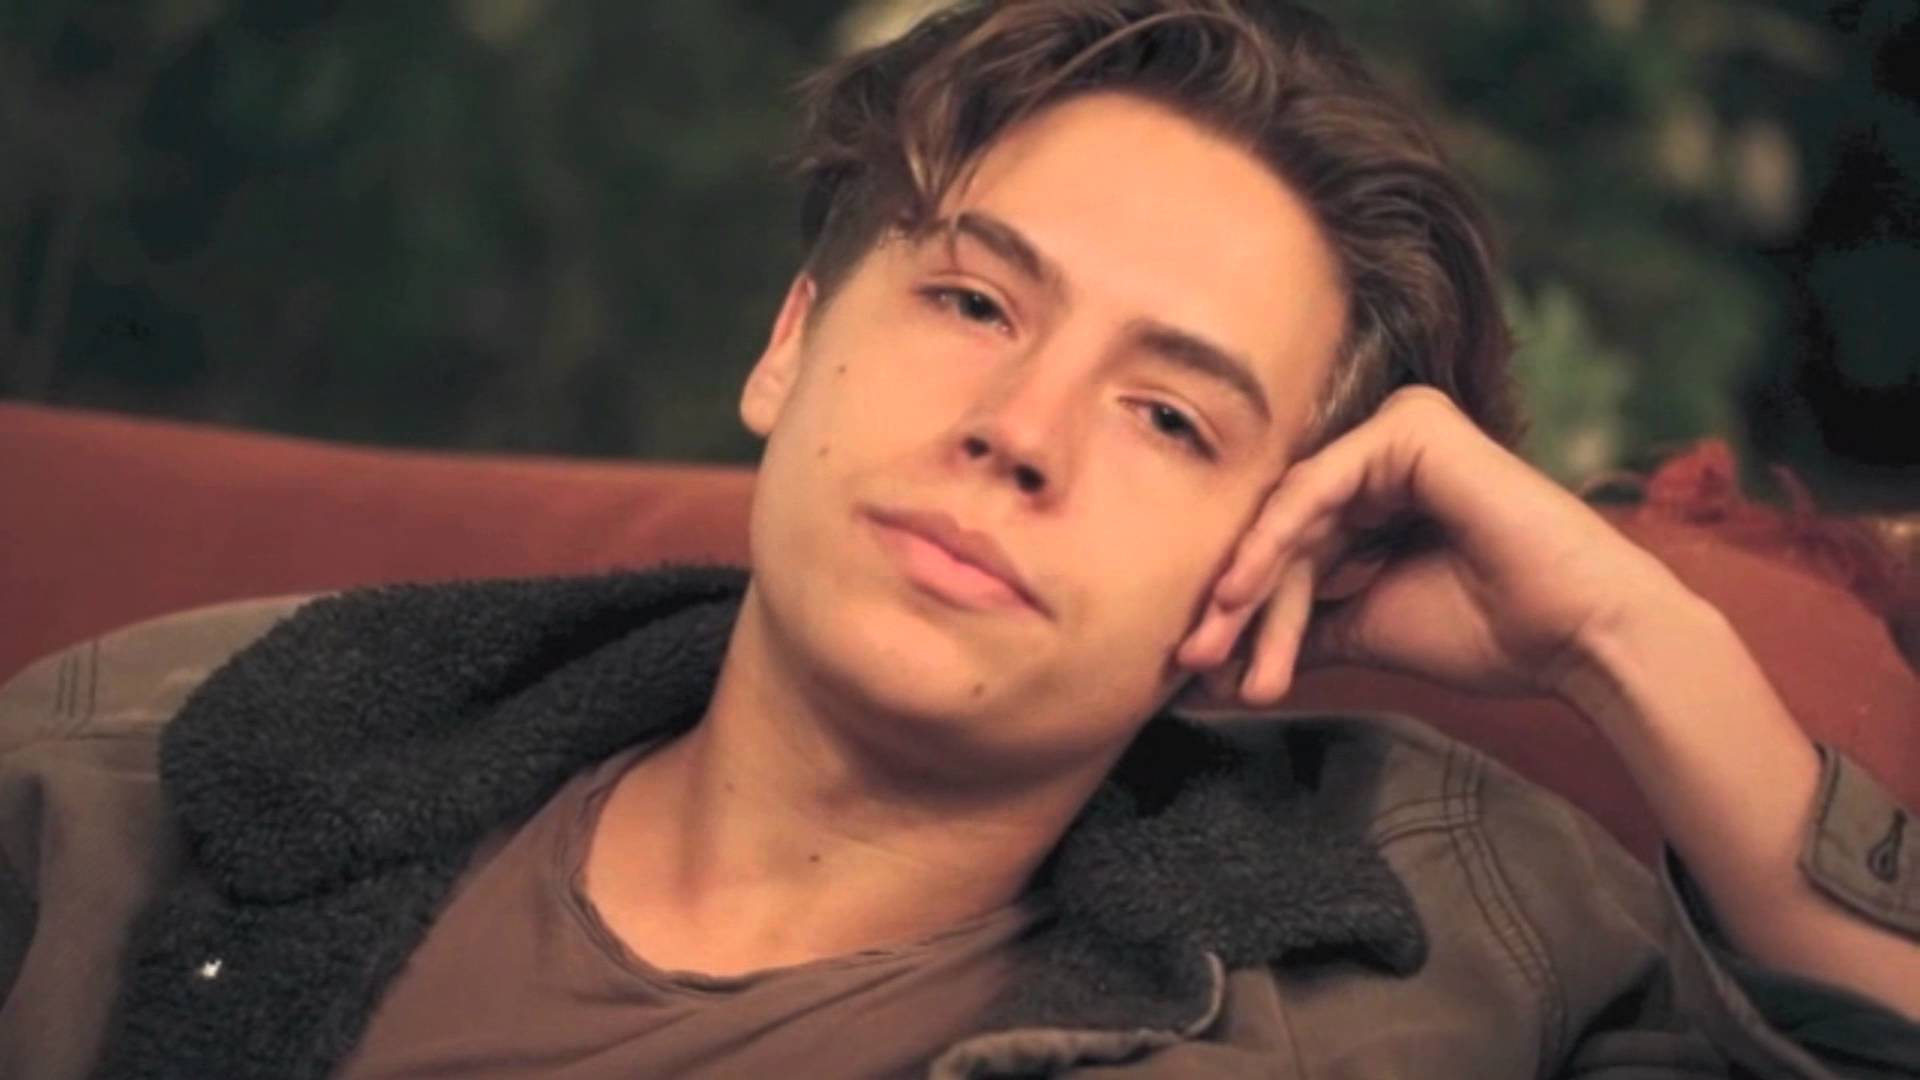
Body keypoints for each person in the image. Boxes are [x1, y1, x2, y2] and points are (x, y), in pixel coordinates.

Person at [2, 1, 1916, 1076]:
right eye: (975, 302)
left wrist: (1629, 637)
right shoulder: (158, 756)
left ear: (1283, 550)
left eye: (1171, 416)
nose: (1021, 430)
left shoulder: (1448, 963)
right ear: (791, 345)